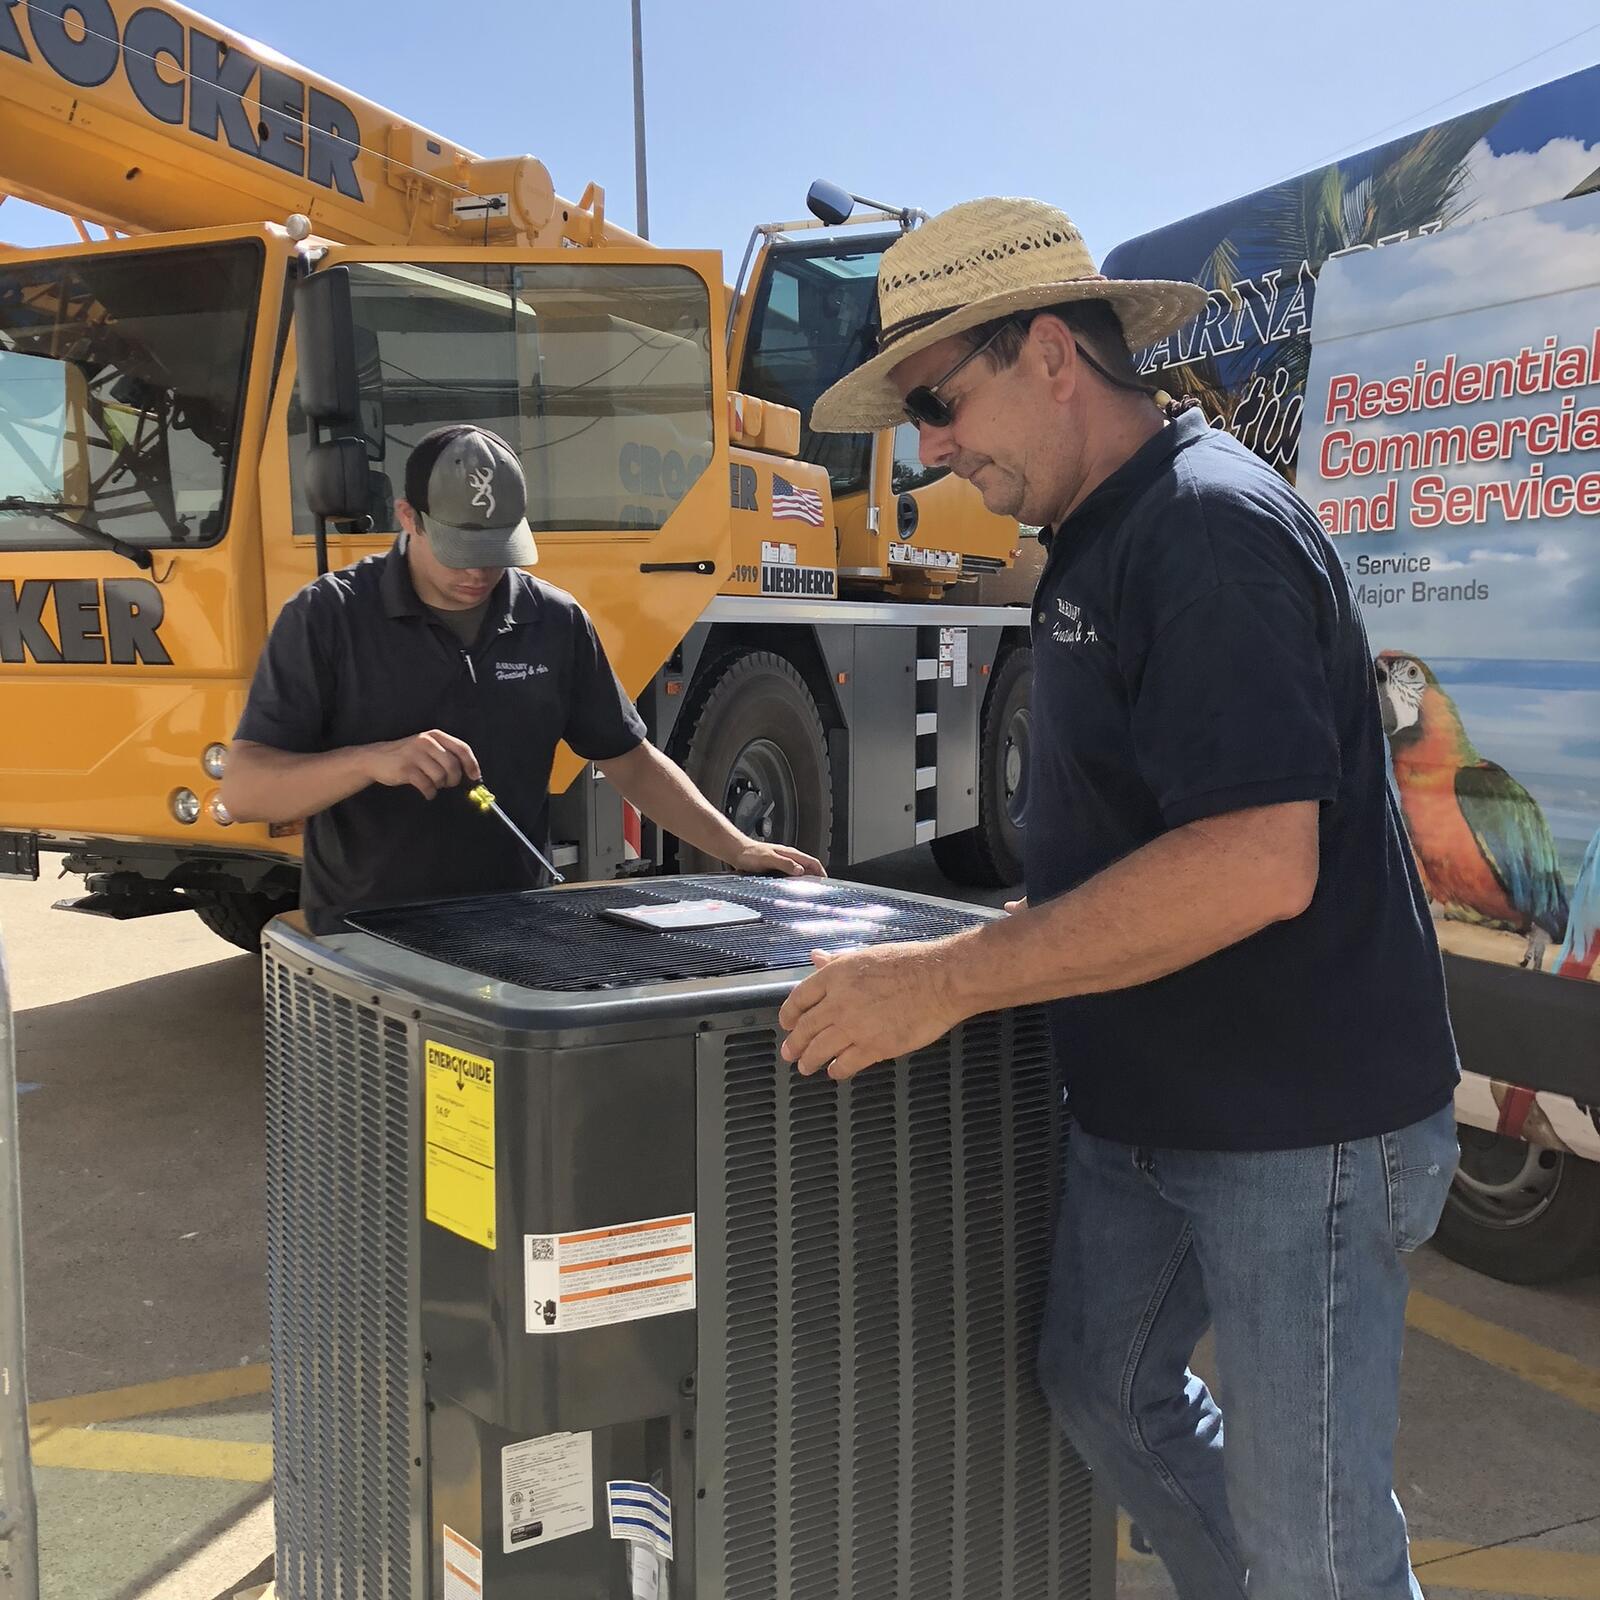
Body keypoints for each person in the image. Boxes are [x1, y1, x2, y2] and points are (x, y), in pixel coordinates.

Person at [778, 198, 1460, 1600]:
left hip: (1303, 1129)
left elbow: (1257, 860)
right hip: (1152, 1105)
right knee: (1101, 1387)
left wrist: (946, 981)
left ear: (1049, 354)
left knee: (1317, 1545)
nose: (928, 450)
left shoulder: (1206, 532)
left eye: (936, 403)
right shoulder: (1098, 532)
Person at [221, 424, 821, 918]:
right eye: (460, 550)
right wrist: (371, 761)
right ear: (408, 517)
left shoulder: (553, 620)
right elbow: (245, 791)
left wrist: (736, 846)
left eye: (495, 551)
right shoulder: (326, 618)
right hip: (365, 941)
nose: (477, 574)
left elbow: (629, 761)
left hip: (512, 929)